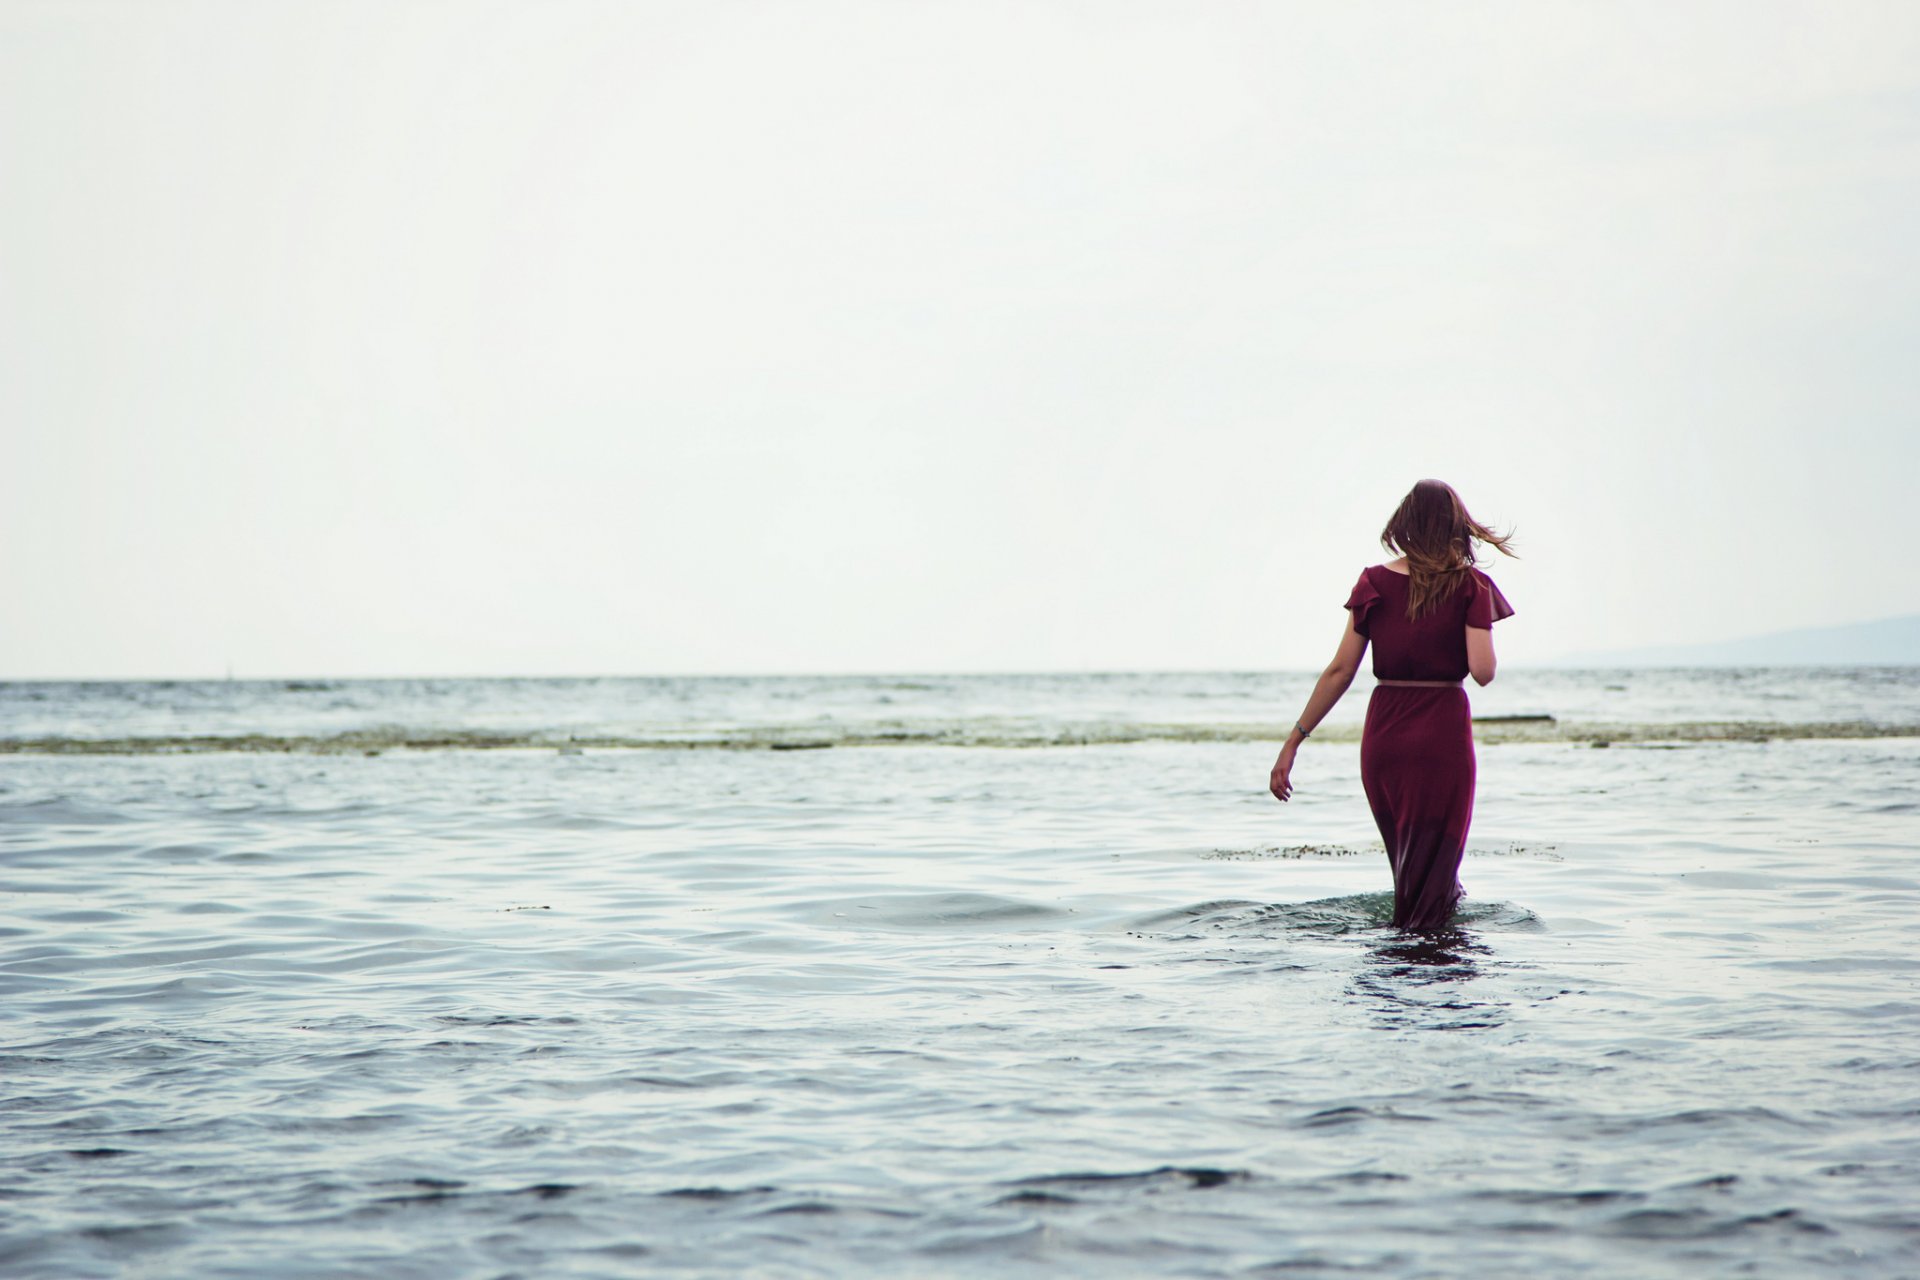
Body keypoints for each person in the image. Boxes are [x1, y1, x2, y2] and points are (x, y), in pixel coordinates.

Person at [1269, 480, 1516, 930]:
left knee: (1410, 869)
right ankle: (1430, 968)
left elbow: (1340, 671)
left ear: (1404, 524)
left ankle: (1402, 967)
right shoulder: (1471, 585)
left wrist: (1293, 741)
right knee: (1434, 873)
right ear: (1455, 526)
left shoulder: (1374, 583)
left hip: (1385, 738)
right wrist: (1471, 612)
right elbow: (1483, 672)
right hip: (1440, 736)